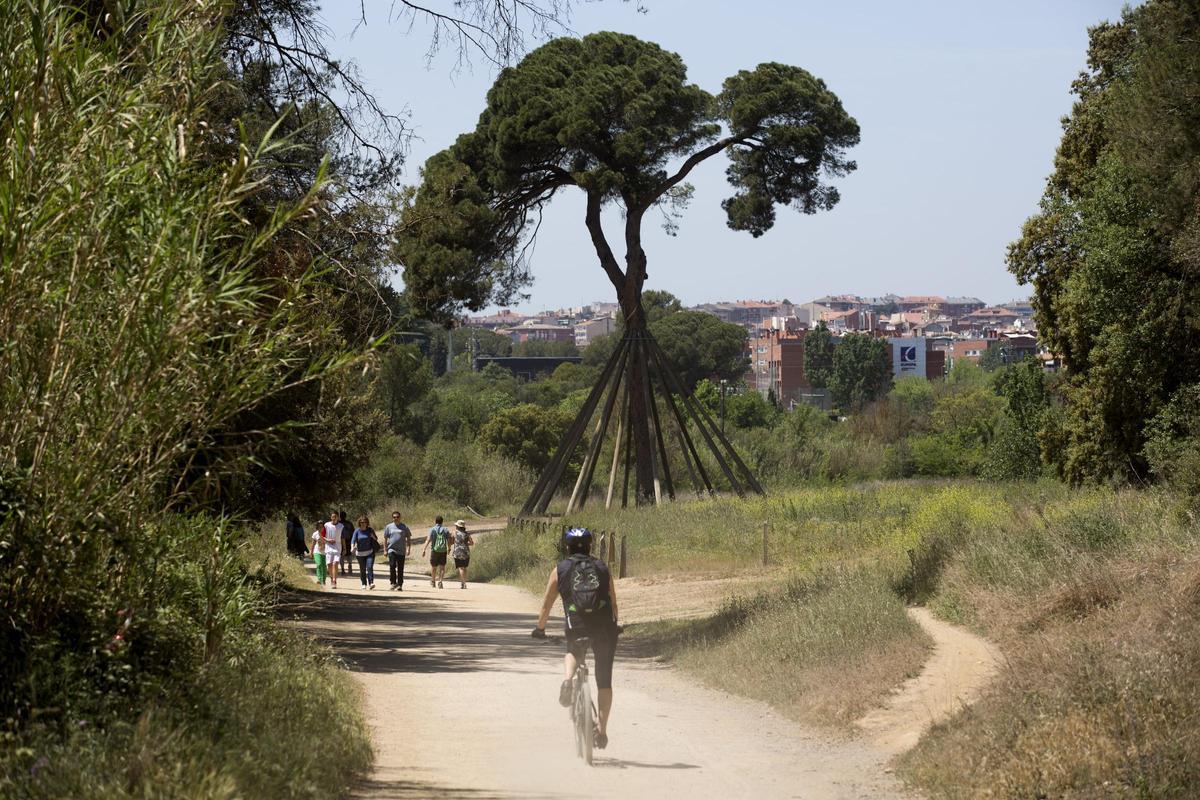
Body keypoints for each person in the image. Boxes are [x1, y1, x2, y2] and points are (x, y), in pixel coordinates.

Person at [532, 527, 619, 750]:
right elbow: (614, 603)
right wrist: (614, 625)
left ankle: (568, 680)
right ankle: (602, 731)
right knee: (604, 680)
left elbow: (546, 604)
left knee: (572, 649)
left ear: (567, 547)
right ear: (590, 546)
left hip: (577, 625)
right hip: (604, 628)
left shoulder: (560, 569)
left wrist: (540, 629)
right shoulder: (601, 568)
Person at [383, 512, 412, 590]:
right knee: (392, 566)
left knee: (400, 568)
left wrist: (408, 549)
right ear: (392, 518)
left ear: (400, 517)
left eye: (397, 517)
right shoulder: (388, 527)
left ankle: (400, 584)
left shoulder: (404, 527)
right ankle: (393, 583)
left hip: (401, 551)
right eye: (394, 517)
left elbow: (408, 538)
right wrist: (385, 550)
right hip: (391, 549)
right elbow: (385, 539)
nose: (396, 518)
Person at [422, 516, 451, 588]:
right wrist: (449, 548)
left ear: (435, 521)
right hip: (443, 550)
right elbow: (449, 540)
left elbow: (428, 539)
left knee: (434, 567)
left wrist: (424, 549)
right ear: (442, 521)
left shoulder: (432, 529)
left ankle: (433, 581)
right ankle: (440, 581)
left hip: (434, 550)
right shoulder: (445, 529)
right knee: (442, 567)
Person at [352, 516, 379, 590]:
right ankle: (364, 583)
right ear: (359, 523)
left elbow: (376, 539)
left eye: (365, 522)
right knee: (362, 569)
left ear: (367, 523)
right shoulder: (357, 531)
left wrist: (373, 536)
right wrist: (352, 547)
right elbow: (353, 540)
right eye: (361, 522)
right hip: (360, 554)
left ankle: (371, 583)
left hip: (370, 552)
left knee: (369, 567)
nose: (363, 524)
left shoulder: (370, 530)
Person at [451, 520, 474, 589]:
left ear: (458, 526)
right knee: (465, 568)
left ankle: (463, 583)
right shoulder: (467, 534)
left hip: (458, 552)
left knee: (460, 568)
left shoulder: (455, 533)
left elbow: (452, 541)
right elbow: (472, 543)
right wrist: (466, 544)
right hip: (466, 552)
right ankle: (464, 582)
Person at [322, 511, 342, 589]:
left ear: (338, 517)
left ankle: (334, 580)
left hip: (337, 547)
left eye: (335, 517)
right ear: (331, 517)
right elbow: (322, 535)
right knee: (329, 565)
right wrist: (328, 540)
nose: (333, 518)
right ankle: (331, 578)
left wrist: (344, 548)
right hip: (329, 547)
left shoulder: (341, 526)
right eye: (332, 517)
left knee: (335, 563)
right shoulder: (326, 525)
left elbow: (343, 538)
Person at [310, 519, 328, 586]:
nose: (320, 528)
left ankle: (323, 580)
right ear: (317, 527)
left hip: (325, 552)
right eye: (319, 526)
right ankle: (319, 579)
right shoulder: (315, 534)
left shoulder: (327, 534)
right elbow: (313, 544)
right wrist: (311, 552)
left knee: (324, 566)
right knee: (319, 564)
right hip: (317, 552)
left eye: (322, 526)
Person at [339, 510, 354, 576]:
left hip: (346, 541)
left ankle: (346, 567)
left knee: (344, 555)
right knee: (346, 555)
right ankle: (346, 567)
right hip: (343, 541)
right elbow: (353, 532)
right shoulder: (349, 523)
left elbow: (353, 532)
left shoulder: (340, 524)